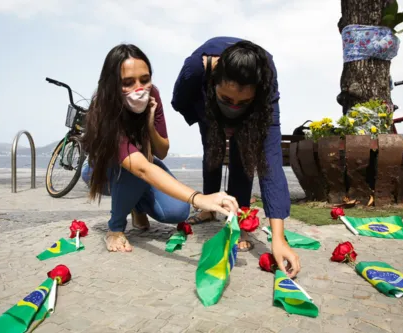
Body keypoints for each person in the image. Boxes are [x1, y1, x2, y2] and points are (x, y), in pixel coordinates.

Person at [81, 44, 239, 253]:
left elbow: (162, 151)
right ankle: (115, 228)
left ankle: (135, 203)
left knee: (178, 211)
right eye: (128, 83)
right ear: (112, 84)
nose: (139, 88)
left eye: (145, 80)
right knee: (135, 168)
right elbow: (141, 168)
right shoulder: (103, 109)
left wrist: (148, 124)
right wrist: (201, 199)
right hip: (103, 170)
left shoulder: (152, 95)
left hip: (142, 163)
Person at [171, 37, 300, 277]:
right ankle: (209, 209)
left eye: (242, 101)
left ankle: (239, 216)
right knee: (213, 148)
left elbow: (270, 161)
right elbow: (178, 100)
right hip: (206, 105)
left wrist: (279, 239)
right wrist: (207, 117)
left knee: (245, 155)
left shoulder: (266, 78)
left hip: (251, 116)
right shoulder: (197, 67)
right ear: (214, 80)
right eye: (227, 100)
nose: (234, 106)